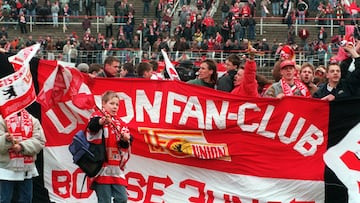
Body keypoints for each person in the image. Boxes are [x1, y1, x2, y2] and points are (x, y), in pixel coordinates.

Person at [87, 91, 132, 203]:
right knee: (104, 200)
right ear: (103, 104)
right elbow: (92, 128)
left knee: (122, 198)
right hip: (101, 167)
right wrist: (102, 122)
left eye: (117, 105)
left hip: (116, 168)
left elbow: (125, 145)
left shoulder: (120, 123)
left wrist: (125, 139)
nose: (115, 107)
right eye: (112, 103)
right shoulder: (97, 116)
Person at [0, 109, 46, 203]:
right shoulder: (2, 120)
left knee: (26, 199)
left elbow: (40, 141)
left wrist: (22, 146)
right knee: (4, 199)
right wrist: (6, 139)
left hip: (27, 169)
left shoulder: (33, 120)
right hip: (6, 169)